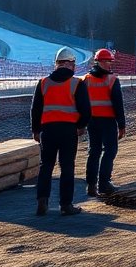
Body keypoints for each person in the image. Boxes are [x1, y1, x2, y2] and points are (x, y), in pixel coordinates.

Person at [31, 46, 91, 216]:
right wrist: (80, 126)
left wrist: (36, 130)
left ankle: (42, 201)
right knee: (67, 167)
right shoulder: (76, 83)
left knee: (46, 166)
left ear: (56, 64)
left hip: (48, 131)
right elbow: (86, 110)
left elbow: (36, 109)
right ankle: (66, 204)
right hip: (68, 131)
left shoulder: (43, 83)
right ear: (71, 64)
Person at [82, 48, 126, 197]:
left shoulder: (86, 79)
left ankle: (91, 185)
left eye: (110, 61)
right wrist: (122, 125)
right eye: (107, 61)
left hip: (92, 122)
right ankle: (104, 184)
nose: (109, 64)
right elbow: (118, 104)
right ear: (99, 62)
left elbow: (81, 102)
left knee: (93, 152)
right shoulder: (112, 80)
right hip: (107, 121)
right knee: (110, 151)